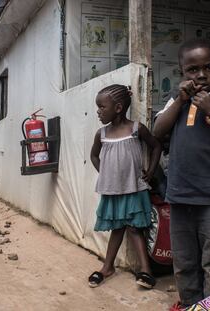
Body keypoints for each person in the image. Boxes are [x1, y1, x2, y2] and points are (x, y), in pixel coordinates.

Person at [153, 38, 210, 309]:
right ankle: (189, 305)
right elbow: (157, 131)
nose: (201, 75)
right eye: (192, 70)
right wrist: (179, 99)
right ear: (182, 71)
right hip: (180, 197)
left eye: (208, 67)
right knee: (184, 260)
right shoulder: (177, 102)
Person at [89, 84, 161, 289]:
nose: (98, 111)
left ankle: (146, 271)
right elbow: (93, 155)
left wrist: (151, 170)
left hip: (134, 188)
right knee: (118, 228)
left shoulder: (136, 129)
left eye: (102, 107)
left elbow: (156, 146)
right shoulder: (101, 134)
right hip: (113, 190)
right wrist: (105, 173)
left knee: (135, 228)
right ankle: (107, 267)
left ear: (118, 108)